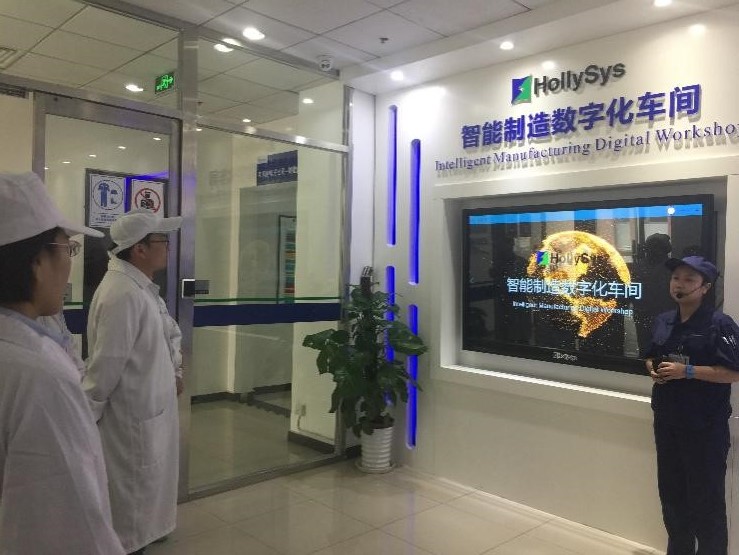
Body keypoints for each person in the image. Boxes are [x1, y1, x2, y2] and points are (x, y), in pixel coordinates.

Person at [0, 172, 124, 554]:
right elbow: (71, 527)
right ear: (37, 262)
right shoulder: (39, 377)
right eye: (66, 249)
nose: (69, 263)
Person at [83, 208, 182, 555]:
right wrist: (87, 416)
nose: (168, 247)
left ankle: (145, 532)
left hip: (149, 408)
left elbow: (168, 332)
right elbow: (105, 366)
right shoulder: (122, 294)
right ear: (139, 249)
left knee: (147, 484)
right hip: (130, 418)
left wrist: (175, 370)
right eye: (162, 240)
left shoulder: (141, 288)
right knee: (132, 492)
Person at [645, 256, 739, 555]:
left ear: (704, 287)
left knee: (706, 504)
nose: (680, 284)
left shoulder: (719, 324)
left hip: (704, 428)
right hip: (667, 422)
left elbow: (733, 372)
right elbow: (651, 355)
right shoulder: (664, 320)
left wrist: (686, 371)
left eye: (689, 279)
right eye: (676, 278)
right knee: (672, 499)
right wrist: (654, 369)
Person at [632, 233, 673, 356]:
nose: (653, 251)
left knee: (662, 350)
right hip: (644, 314)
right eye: (652, 247)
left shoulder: (672, 268)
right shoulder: (638, 267)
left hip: (663, 315)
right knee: (647, 349)